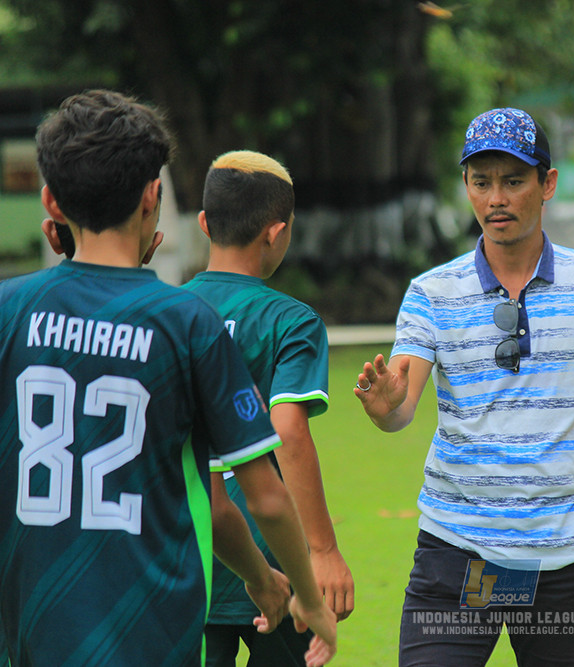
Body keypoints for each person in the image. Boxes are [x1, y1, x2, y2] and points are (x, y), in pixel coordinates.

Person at [0, 89, 336, 667]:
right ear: (153, 196)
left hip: (28, 630)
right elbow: (258, 498)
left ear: (51, 199)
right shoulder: (186, 324)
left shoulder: (9, 309)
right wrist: (296, 591)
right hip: (148, 630)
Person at [354, 107, 574, 666]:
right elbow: (401, 405)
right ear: (467, 188)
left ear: (546, 184)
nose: (495, 198)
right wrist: (385, 408)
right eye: (481, 182)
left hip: (561, 558)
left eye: (513, 181)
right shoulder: (432, 292)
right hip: (459, 550)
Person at [182, 150, 355, 666]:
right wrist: (322, 551)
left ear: (204, 224)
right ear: (277, 233)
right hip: (280, 563)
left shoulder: (167, 314)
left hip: (192, 562)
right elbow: (290, 431)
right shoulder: (291, 320)